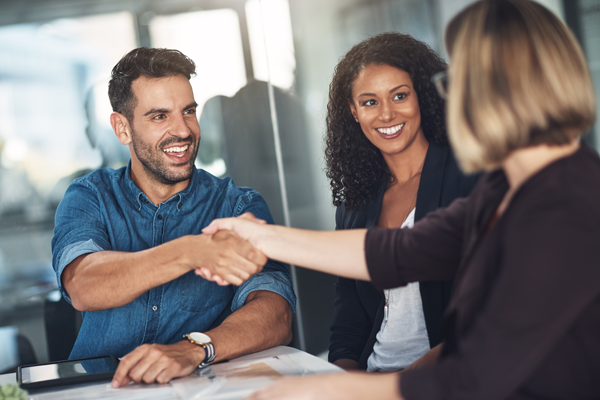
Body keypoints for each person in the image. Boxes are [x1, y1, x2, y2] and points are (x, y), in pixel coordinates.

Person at [202, 0, 600, 399]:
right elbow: (402, 251)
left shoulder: (568, 205)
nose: (451, 98)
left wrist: (328, 390)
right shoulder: (512, 187)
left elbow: (473, 377)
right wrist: (260, 237)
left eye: (459, 81)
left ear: (511, 89)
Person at [50, 48, 296, 388]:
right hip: (99, 390)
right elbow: (83, 285)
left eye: (188, 112)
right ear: (122, 128)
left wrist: (195, 348)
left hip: (202, 387)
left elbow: (276, 313)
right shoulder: (89, 196)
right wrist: (192, 252)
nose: (182, 130)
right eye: (159, 116)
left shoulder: (238, 206)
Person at [325, 32, 479, 372]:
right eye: (369, 102)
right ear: (353, 111)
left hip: (448, 381)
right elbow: (349, 311)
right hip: (374, 376)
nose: (386, 114)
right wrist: (349, 381)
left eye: (399, 96)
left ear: (421, 96)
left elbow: (488, 312)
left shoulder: (469, 177)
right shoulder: (355, 202)